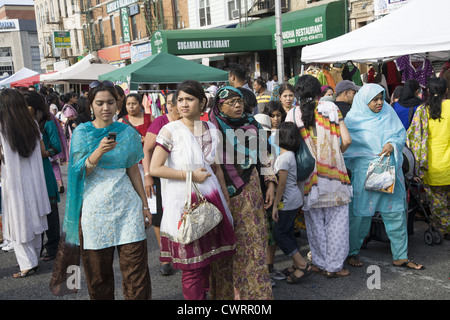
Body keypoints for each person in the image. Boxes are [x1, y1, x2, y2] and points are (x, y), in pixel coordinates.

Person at [49, 80, 152, 299]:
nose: (106, 107)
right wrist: (98, 152)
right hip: (94, 212)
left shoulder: (127, 132)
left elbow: (133, 170)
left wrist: (144, 205)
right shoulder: (82, 133)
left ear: (118, 104)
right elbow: (76, 172)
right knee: (98, 276)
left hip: (128, 208)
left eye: (110, 102)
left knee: (136, 273)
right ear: (91, 105)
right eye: (100, 103)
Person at [149, 80, 236, 300]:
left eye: (190, 99)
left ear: (202, 102)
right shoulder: (170, 130)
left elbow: (215, 168)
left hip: (212, 198)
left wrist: (225, 200)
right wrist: (190, 175)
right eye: (180, 100)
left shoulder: (211, 128)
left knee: (207, 261)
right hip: (183, 204)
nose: (184, 104)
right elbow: (155, 168)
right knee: (192, 267)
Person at [344, 83, 424, 270]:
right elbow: (346, 146)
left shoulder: (388, 112)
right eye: (375, 99)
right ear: (365, 100)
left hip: (389, 169)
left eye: (381, 98)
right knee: (359, 215)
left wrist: (392, 144)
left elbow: (399, 135)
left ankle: (400, 256)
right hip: (364, 173)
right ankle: (353, 252)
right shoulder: (353, 119)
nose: (380, 102)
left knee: (396, 213)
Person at [208, 86, 277, 300]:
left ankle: (254, 296)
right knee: (228, 245)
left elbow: (264, 154)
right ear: (219, 106)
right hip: (222, 191)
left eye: (239, 101)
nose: (238, 105)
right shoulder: (211, 128)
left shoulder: (251, 123)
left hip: (251, 188)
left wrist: (271, 182)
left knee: (253, 241)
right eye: (231, 102)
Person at [286, 75, 353, 278]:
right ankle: (334, 267)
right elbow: (347, 140)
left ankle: (319, 262)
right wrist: (335, 155)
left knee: (314, 222)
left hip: (308, 177)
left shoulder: (292, 114)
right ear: (319, 91)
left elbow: (288, 146)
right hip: (335, 174)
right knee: (338, 222)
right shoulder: (332, 108)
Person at [0, 89, 50, 278]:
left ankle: (27, 263)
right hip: (35, 180)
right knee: (34, 217)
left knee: (17, 220)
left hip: (13, 180)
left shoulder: (2, 126)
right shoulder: (33, 125)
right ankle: (33, 258)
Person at [407, 77, 450, 240]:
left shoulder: (422, 111)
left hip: (433, 165)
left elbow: (412, 137)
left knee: (437, 201)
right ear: (446, 90)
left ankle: (443, 226)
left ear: (428, 91)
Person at [142, 92, 179, 276]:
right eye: (175, 102)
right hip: (159, 176)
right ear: (169, 105)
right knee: (159, 217)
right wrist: (147, 175)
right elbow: (146, 150)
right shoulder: (160, 122)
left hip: (180, 176)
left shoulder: (191, 122)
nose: (179, 105)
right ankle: (165, 257)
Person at [23, 90, 61, 262]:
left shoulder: (47, 123)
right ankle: (36, 248)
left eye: (28, 106)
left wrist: (43, 153)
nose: (25, 109)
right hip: (28, 171)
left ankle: (53, 246)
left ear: (36, 107)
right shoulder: (21, 123)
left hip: (44, 170)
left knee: (50, 211)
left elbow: (56, 147)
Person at [272, 121, 311, 283]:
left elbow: (281, 184)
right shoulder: (291, 155)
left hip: (286, 201)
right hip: (294, 198)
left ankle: (302, 264)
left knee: (279, 234)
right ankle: (296, 264)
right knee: (287, 232)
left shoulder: (283, 159)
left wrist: (275, 205)